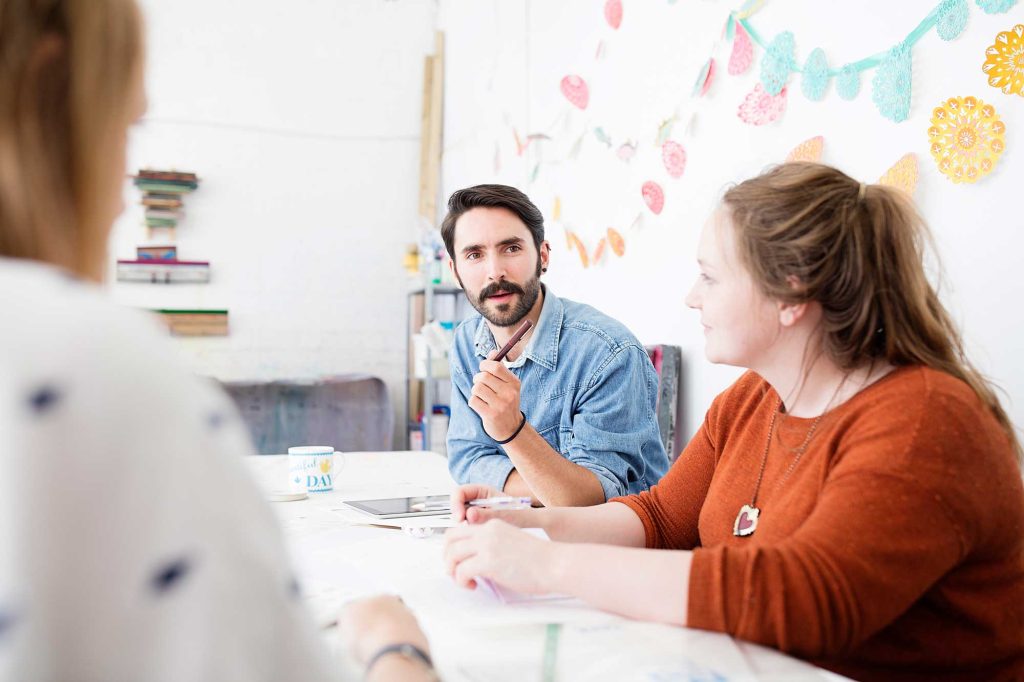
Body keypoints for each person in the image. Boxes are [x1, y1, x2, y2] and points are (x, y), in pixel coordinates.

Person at [443, 163, 1024, 681]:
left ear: (790, 294)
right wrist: (528, 527)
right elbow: (663, 518)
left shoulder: (925, 421)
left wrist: (550, 563)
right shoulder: (753, 396)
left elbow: (799, 599)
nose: (693, 298)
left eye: (711, 276)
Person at [0, 2, 433, 680]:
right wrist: (396, 649)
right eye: (125, 126)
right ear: (47, 93)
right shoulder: (93, 360)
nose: (118, 194)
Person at [441, 184, 669, 506]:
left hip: (613, 547)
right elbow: (467, 459)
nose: (495, 272)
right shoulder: (468, 341)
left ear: (543, 256)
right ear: (455, 271)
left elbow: (590, 504)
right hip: (532, 532)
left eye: (511, 248)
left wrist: (512, 431)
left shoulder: (608, 352)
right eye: (475, 255)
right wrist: (549, 488)